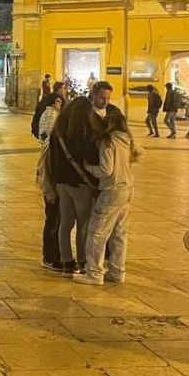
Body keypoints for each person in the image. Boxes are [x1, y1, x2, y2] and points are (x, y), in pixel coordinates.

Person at [79, 112, 142, 285]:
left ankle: (93, 273)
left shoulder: (108, 142)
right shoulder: (127, 141)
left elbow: (106, 170)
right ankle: (117, 271)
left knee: (97, 232)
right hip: (127, 189)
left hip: (112, 191)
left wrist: (89, 167)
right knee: (119, 233)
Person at [49, 96, 98, 276]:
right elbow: (92, 158)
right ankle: (83, 261)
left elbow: (51, 159)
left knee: (65, 223)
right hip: (80, 184)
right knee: (83, 224)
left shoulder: (58, 131)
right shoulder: (84, 132)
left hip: (62, 183)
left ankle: (67, 262)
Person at [37, 95, 64, 272]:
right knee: (54, 221)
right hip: (54, 190)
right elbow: (44, 170)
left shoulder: (61, 139)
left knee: (59, 222)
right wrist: (49, 191)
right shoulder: (52, 140)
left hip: (62, 190)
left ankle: (60, 255)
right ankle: (50, 255)